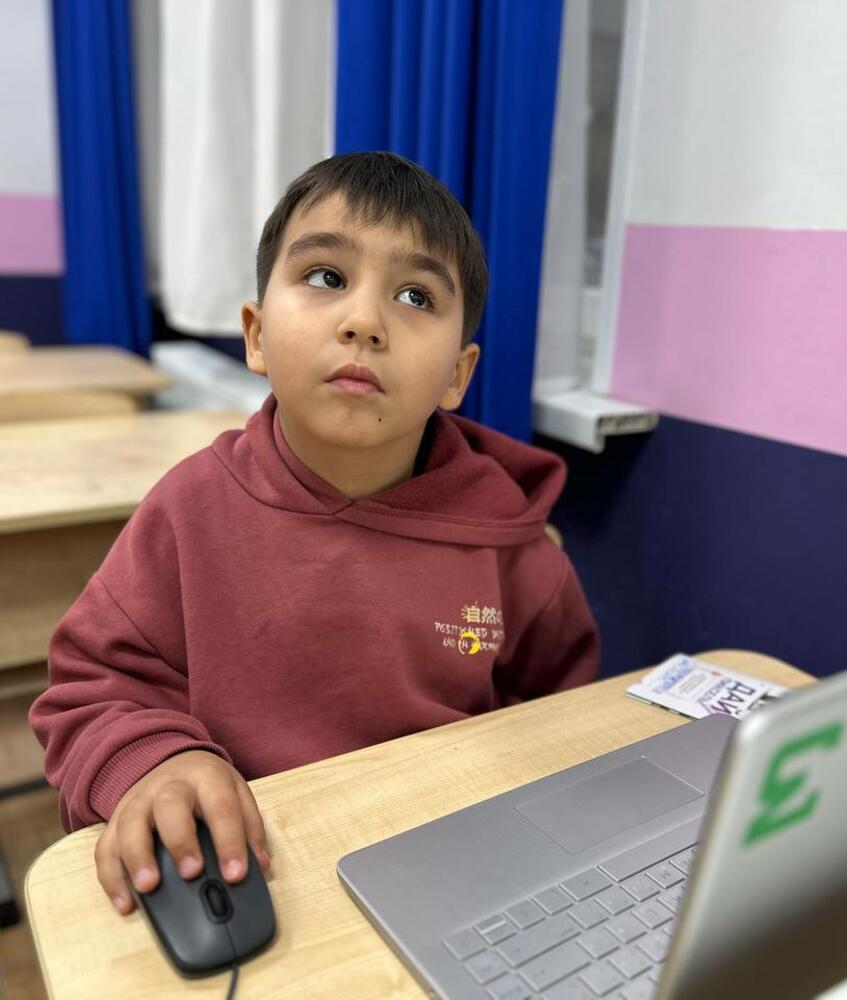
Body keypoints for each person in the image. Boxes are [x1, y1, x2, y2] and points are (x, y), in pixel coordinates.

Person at [28, 151, 599, 917]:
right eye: (326, 276)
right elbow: (94, 685)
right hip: (258, 881)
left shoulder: (513, 548)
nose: (365, 322)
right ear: (256, 336)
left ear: (457, 376)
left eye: (416, 295)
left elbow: (564, 721)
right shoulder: (188, 511)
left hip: (453, 883)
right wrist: (155, 763)